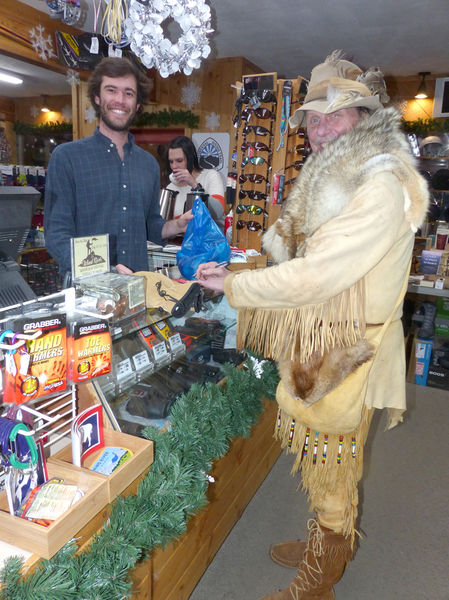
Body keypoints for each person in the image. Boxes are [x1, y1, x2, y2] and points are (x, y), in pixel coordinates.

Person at [197, 50, 429, 600]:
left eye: (335, 115)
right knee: (328, 458)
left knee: (333, 458)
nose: (320, 129)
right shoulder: (341, 177)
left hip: (349, 349)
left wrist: (235, 287)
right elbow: (295, 250)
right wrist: (240, 265)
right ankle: (332, 538)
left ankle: (322, 571)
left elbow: (318, 274)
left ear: (363, 120)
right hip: (323, 340)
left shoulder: (379, 185)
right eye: (314, 118)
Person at [44, 57, 192, 278]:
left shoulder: (148, 164)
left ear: (137, 104)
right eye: (111, 90)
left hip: (136, 288)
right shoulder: (67, 158)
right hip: (86, 295)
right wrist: (104, 271)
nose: (120, 100)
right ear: (97, 97)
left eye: (129, 93)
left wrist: (178, 225)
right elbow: (57, 235)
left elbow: (151, 224)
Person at [165, 135, 225, 229]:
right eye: (171, 162)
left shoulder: (210, 176)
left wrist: (195, 185)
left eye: (179, 161)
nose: (174, 166)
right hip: (178, 241)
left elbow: (218, 212)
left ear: (190, 159)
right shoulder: (170, 187)